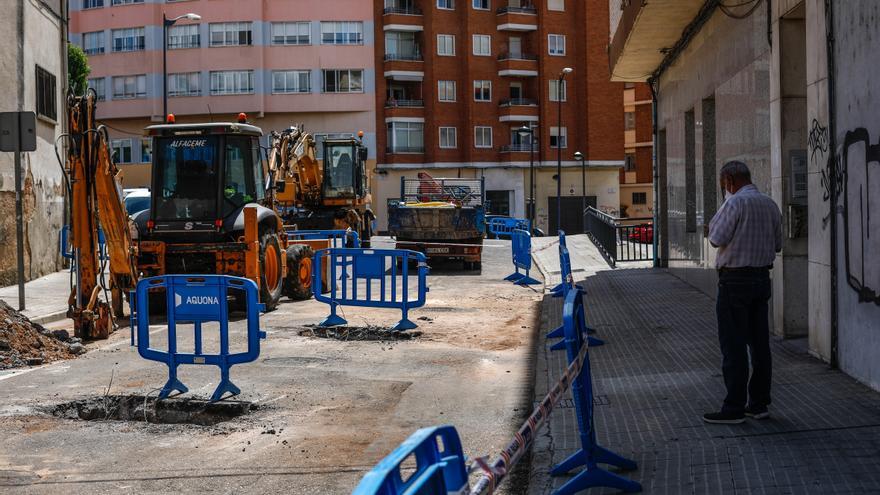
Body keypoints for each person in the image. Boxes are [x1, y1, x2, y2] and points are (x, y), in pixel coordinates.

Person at [704, 161, 782, 424]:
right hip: (761, 279)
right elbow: (778, 243)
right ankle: (758, 404)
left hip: (734, 282)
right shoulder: (770, 204)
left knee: (733, 345)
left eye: (723, 184)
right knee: (760, 345)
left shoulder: (734, 204)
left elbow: (716, 237)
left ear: (729, 180)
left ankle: (734, 407)